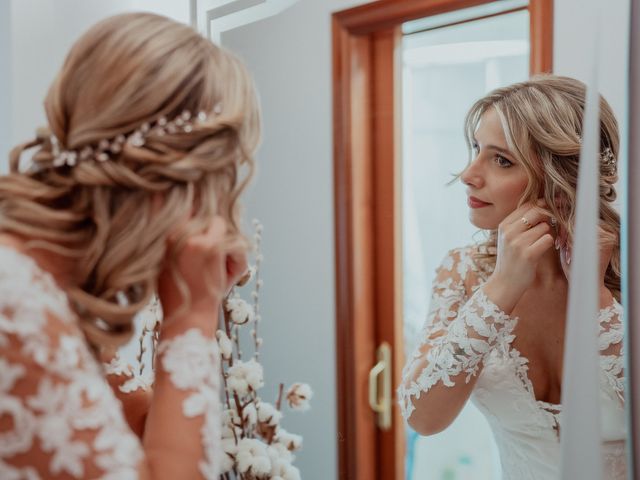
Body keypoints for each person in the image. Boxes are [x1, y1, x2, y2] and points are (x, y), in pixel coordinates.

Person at [0, 12, 259, 479]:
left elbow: (138, 430)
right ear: (180, 181)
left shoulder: (41, 286)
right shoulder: (15, 299)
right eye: (222, 180)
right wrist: (191, 317)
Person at [398, 75, 625, 479]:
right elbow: (423, 419)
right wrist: (501, 287)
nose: (469, 174)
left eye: (501, 160)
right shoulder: (463, 272)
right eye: (476, 149)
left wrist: (596, 299)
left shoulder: (629, 271)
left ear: (563, 183)